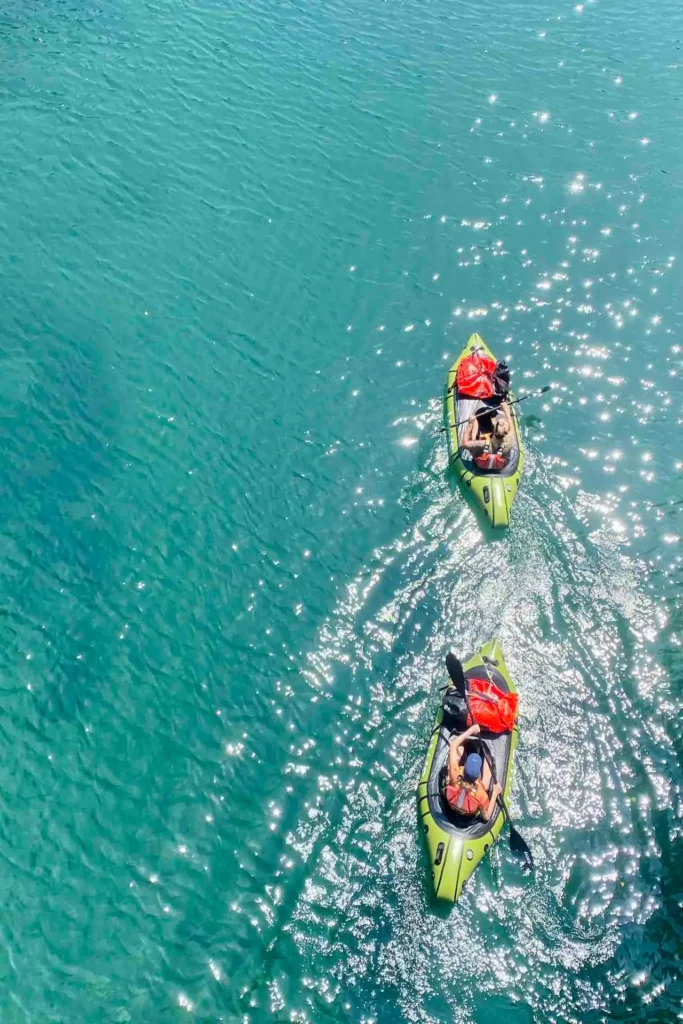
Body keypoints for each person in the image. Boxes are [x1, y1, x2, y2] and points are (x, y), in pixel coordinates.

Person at [445, 723, 502, 820]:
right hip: (467, 814)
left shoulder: (455, 775)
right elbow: (486, 817)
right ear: (477, 777)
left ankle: (447, 778)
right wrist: (495, 793)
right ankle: (487, 761)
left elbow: (453, 745)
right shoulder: (481, 793)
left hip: (452, 805)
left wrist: (471, 730)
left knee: (460, 748)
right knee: (487, 776)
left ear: (465, 766)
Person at [461, 401, 514, 471]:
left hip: (479, 465)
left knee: (476, 421)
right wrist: (507, 411)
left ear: (494, 429)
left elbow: (464, 443)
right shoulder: (509, 443)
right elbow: (511, 430)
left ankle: (474, 436)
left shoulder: (481, 445)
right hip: (498, 467)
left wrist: (470, 425)